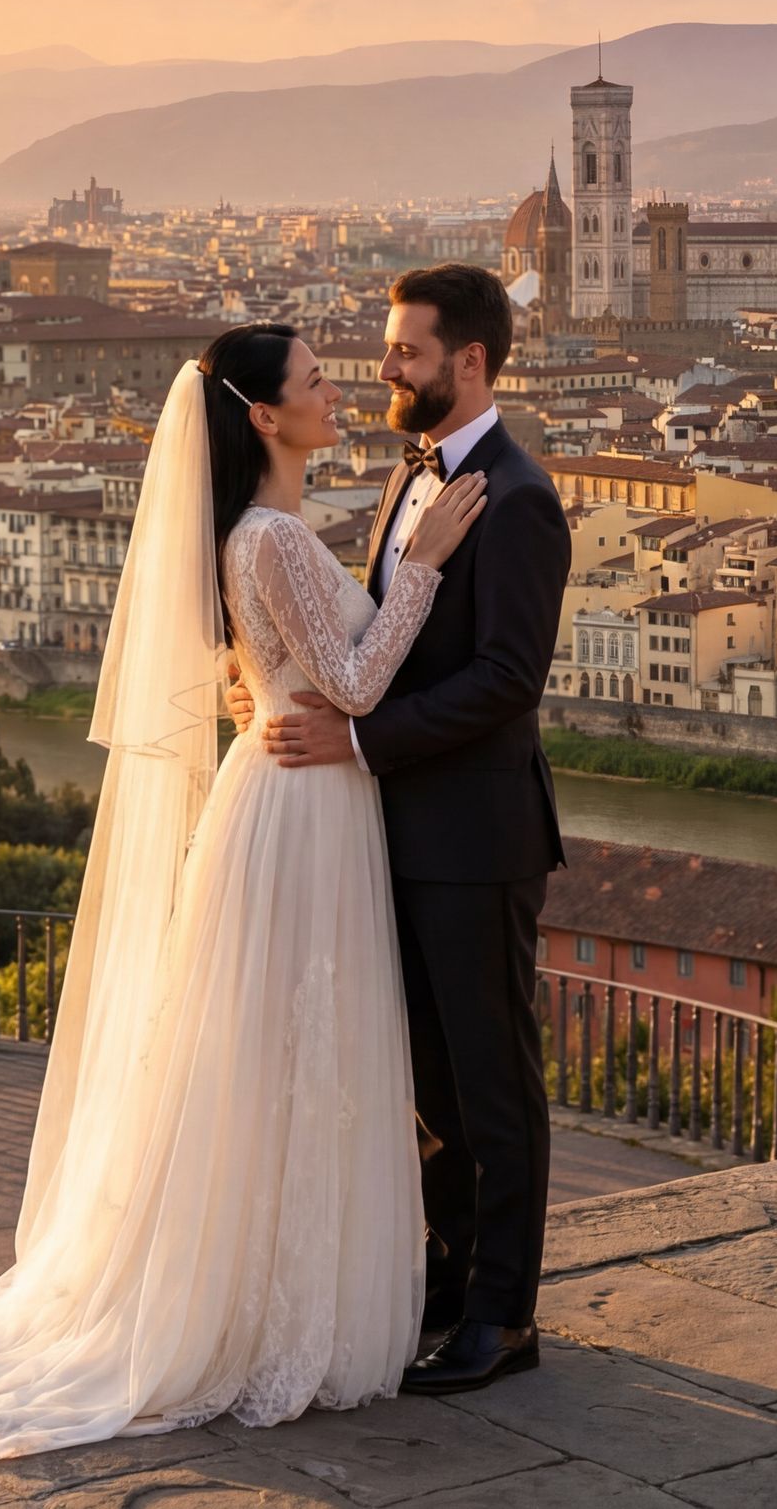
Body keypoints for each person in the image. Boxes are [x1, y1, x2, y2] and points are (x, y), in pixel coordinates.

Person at [0, 322, 485, 1456]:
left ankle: (263, 1290)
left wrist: (265, 690)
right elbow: (352, 683)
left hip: (288, 800)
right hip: (302, 812)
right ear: (263, 415)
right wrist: (426, 565)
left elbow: (275, 670)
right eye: (314, 380)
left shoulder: (251, 535)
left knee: (267, 1058)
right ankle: (272, 1308)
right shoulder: (274, 538)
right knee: (295, 1055)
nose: (336, 390)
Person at [232, 263, 569, 1396]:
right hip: (395, 832)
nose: (384, 367)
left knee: (493, 1084)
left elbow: (507, 681)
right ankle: (449, 1279)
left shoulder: (519, 498)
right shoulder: (408, 476)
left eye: (406, 351)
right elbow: (381, 636)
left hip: (476, 840)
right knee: (432, 1087)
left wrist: (359, 741)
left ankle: (504, 1317)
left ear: (468, 361)